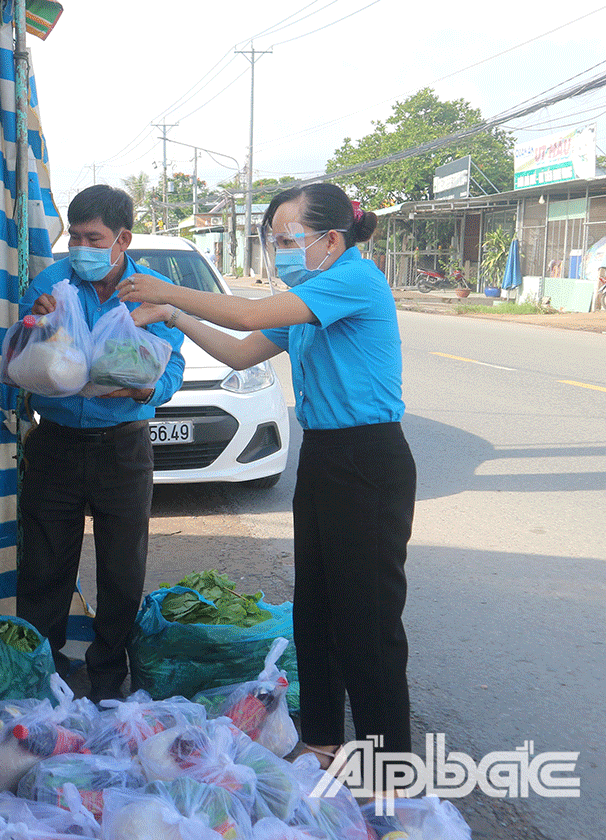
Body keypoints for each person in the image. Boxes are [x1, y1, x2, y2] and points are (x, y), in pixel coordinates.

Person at [120, 182, 417, 769]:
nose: (279, 252)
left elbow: (249, 310)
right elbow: (239, 351)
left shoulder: (353, 280)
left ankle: (390, 767)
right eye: (274, 240)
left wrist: (165, 287)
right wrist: (176, 313)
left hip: (370, 462)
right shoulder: (310, 297)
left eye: (287, 239)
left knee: (368, 621)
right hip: (327, 460)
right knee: (316, 609)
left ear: (332, 239)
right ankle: (326, 741)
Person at [14, 184, 186, 702]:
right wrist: (37, 324)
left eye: (95, 238)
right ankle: (44, 676)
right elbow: (22, 356)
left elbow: (173, 363)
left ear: (122, 239)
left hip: (124, 446)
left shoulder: (154, 288)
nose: (81, 249)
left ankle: (109, 678)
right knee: (45, 566)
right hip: (57, 443)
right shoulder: (50, 284)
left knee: (121, 569)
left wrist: (148, 388)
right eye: (75, 238)